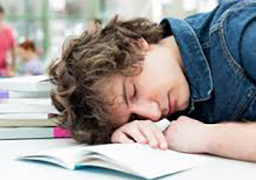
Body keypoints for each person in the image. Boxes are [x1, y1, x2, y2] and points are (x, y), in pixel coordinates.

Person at [49, 0, 256, 162]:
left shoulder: (241, 32)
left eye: (133, 92)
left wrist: (208, 138)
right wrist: (127, 135)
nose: (154, 114)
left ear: (136, 46)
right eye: (135, 116)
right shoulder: (171, 85)